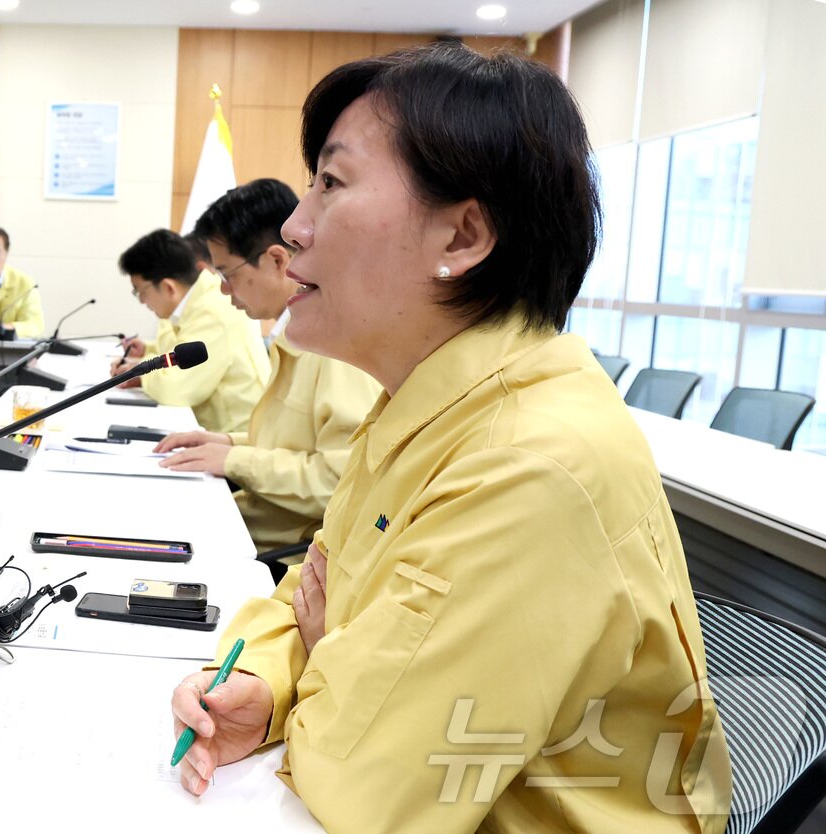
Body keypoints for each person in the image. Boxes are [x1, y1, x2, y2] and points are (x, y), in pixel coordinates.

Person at [168, 43, 730, 832]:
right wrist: (264, 680)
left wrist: (328, 654)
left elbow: (360, 785)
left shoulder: (531, 465)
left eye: (331, 183)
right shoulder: (431, 402)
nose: (294, 225)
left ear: (463, 238)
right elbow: (310, 586)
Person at [156, 179, 383, 553]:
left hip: (281, 556)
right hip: (251, 526)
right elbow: (296, 445)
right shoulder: (290, 332)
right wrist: (227, 442)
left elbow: (339, 480)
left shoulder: (336, 348)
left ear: (277, 260)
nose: (224, 290)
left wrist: (234, 459)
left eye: (227, 274)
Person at [112, 229, 269, 435]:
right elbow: (181, 352)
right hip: (219, 431)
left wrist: (141, 374)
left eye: (140, 291)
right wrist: (147, 350)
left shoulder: (212, 312)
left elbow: (177, 389)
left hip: (238, 436)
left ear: (168, 287)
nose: (141, 301)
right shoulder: (199, 299)